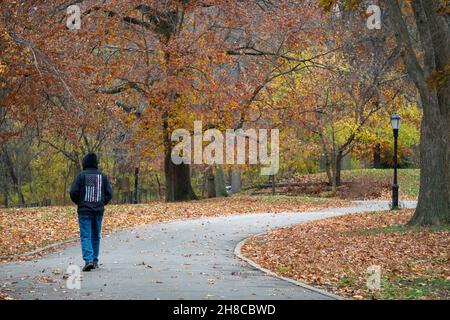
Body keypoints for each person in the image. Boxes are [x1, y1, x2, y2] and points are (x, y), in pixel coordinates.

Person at [70, 153, 113, 271]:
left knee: (86, 235)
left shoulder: (81, 176)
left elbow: (73, 192)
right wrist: (101, 203)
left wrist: (79, 202)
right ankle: (94, 261)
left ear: (85, 162)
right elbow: (109, 194)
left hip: (84, 211)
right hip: (98, 211)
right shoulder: (103, 177)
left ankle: (88, 260)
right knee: (96, 236)